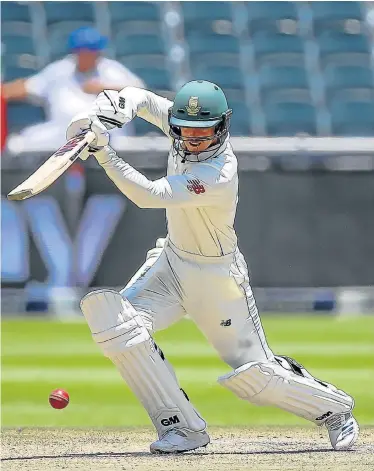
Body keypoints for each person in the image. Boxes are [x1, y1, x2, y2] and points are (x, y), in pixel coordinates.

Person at [66, 80, 359, 454]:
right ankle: (183, 429)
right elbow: (140, 98)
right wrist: (112, 109)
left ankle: (334, 410)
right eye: (185, 129)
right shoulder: (181, 129)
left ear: (221, 127)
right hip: (171, 265)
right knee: (116, 323)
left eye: (203, 132)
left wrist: (105, 153)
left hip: (218, 281)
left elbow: (148, 195)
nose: (193, 139)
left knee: (257, 377)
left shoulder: (219, 172)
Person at [2, 26, 144, 151]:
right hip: (63, 135)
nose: (91, 55)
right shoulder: (60, 70)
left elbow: (141, 92)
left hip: (109, 136)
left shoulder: (110, 69)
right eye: (86, 51)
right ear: (77, 52)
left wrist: (105, 87)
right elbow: (28, 87)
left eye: (94, 51)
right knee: (18, 144)